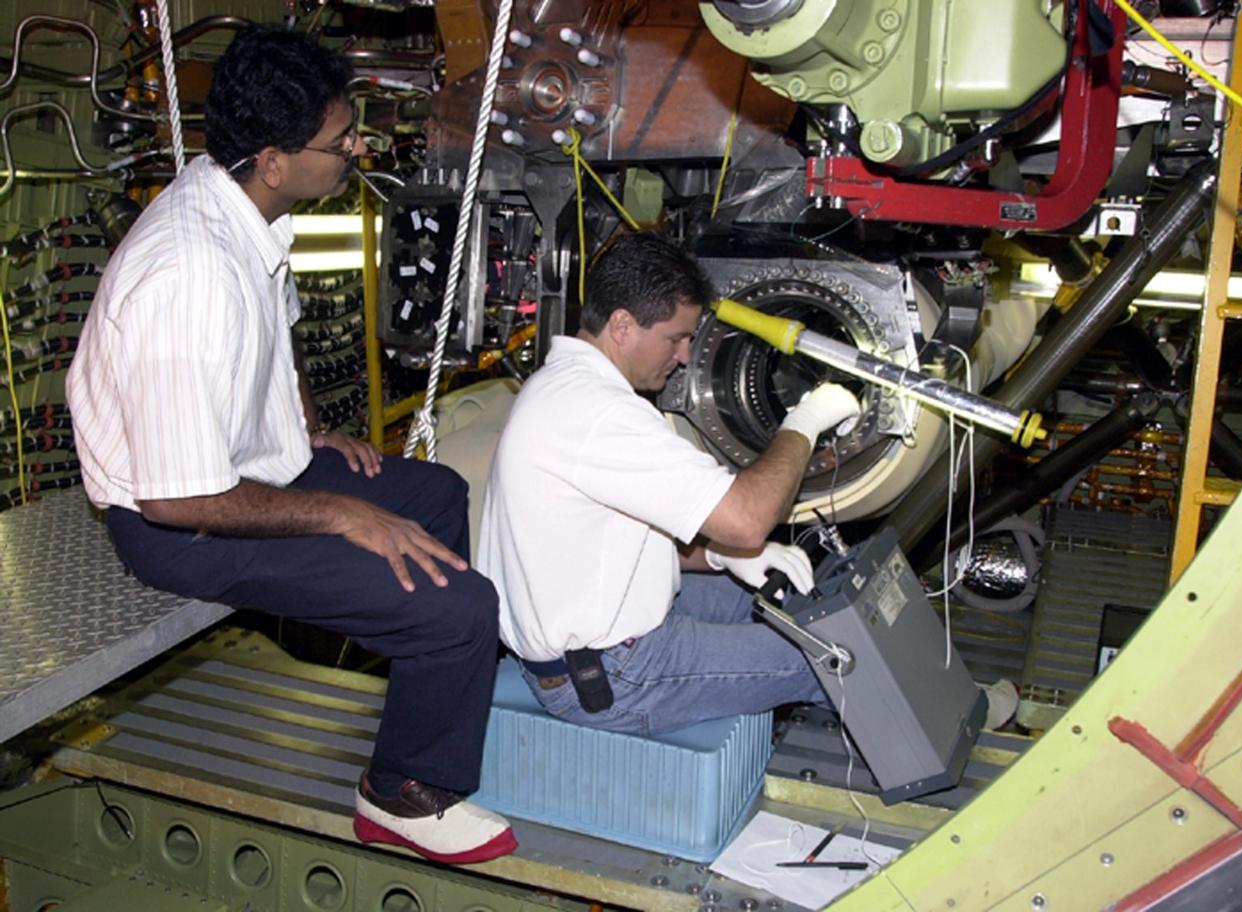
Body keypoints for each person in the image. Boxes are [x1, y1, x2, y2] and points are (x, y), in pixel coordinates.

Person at [66, 25, 515, 864]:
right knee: (463, 609)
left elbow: (277, 333)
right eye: (340, 139)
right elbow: (177, 497)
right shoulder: (186, 276)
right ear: (273, 157)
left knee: (436, 496)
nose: (356, 149)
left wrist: (307, 430)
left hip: (242, 465)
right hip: (177, 525)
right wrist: (342, 516)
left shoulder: (239, 201)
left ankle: (413, 673)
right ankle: (400, 793)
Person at [477, 231, 863, 735]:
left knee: (800, 602)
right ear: (622, 325)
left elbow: (614, 540)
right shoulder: (598, 413)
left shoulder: (564, 386)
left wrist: (720, 556)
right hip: (611, 675)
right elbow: (747, 520)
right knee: (839, 656)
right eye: (675, 338)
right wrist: (806, 421)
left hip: (601, 639)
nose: (683, 355)